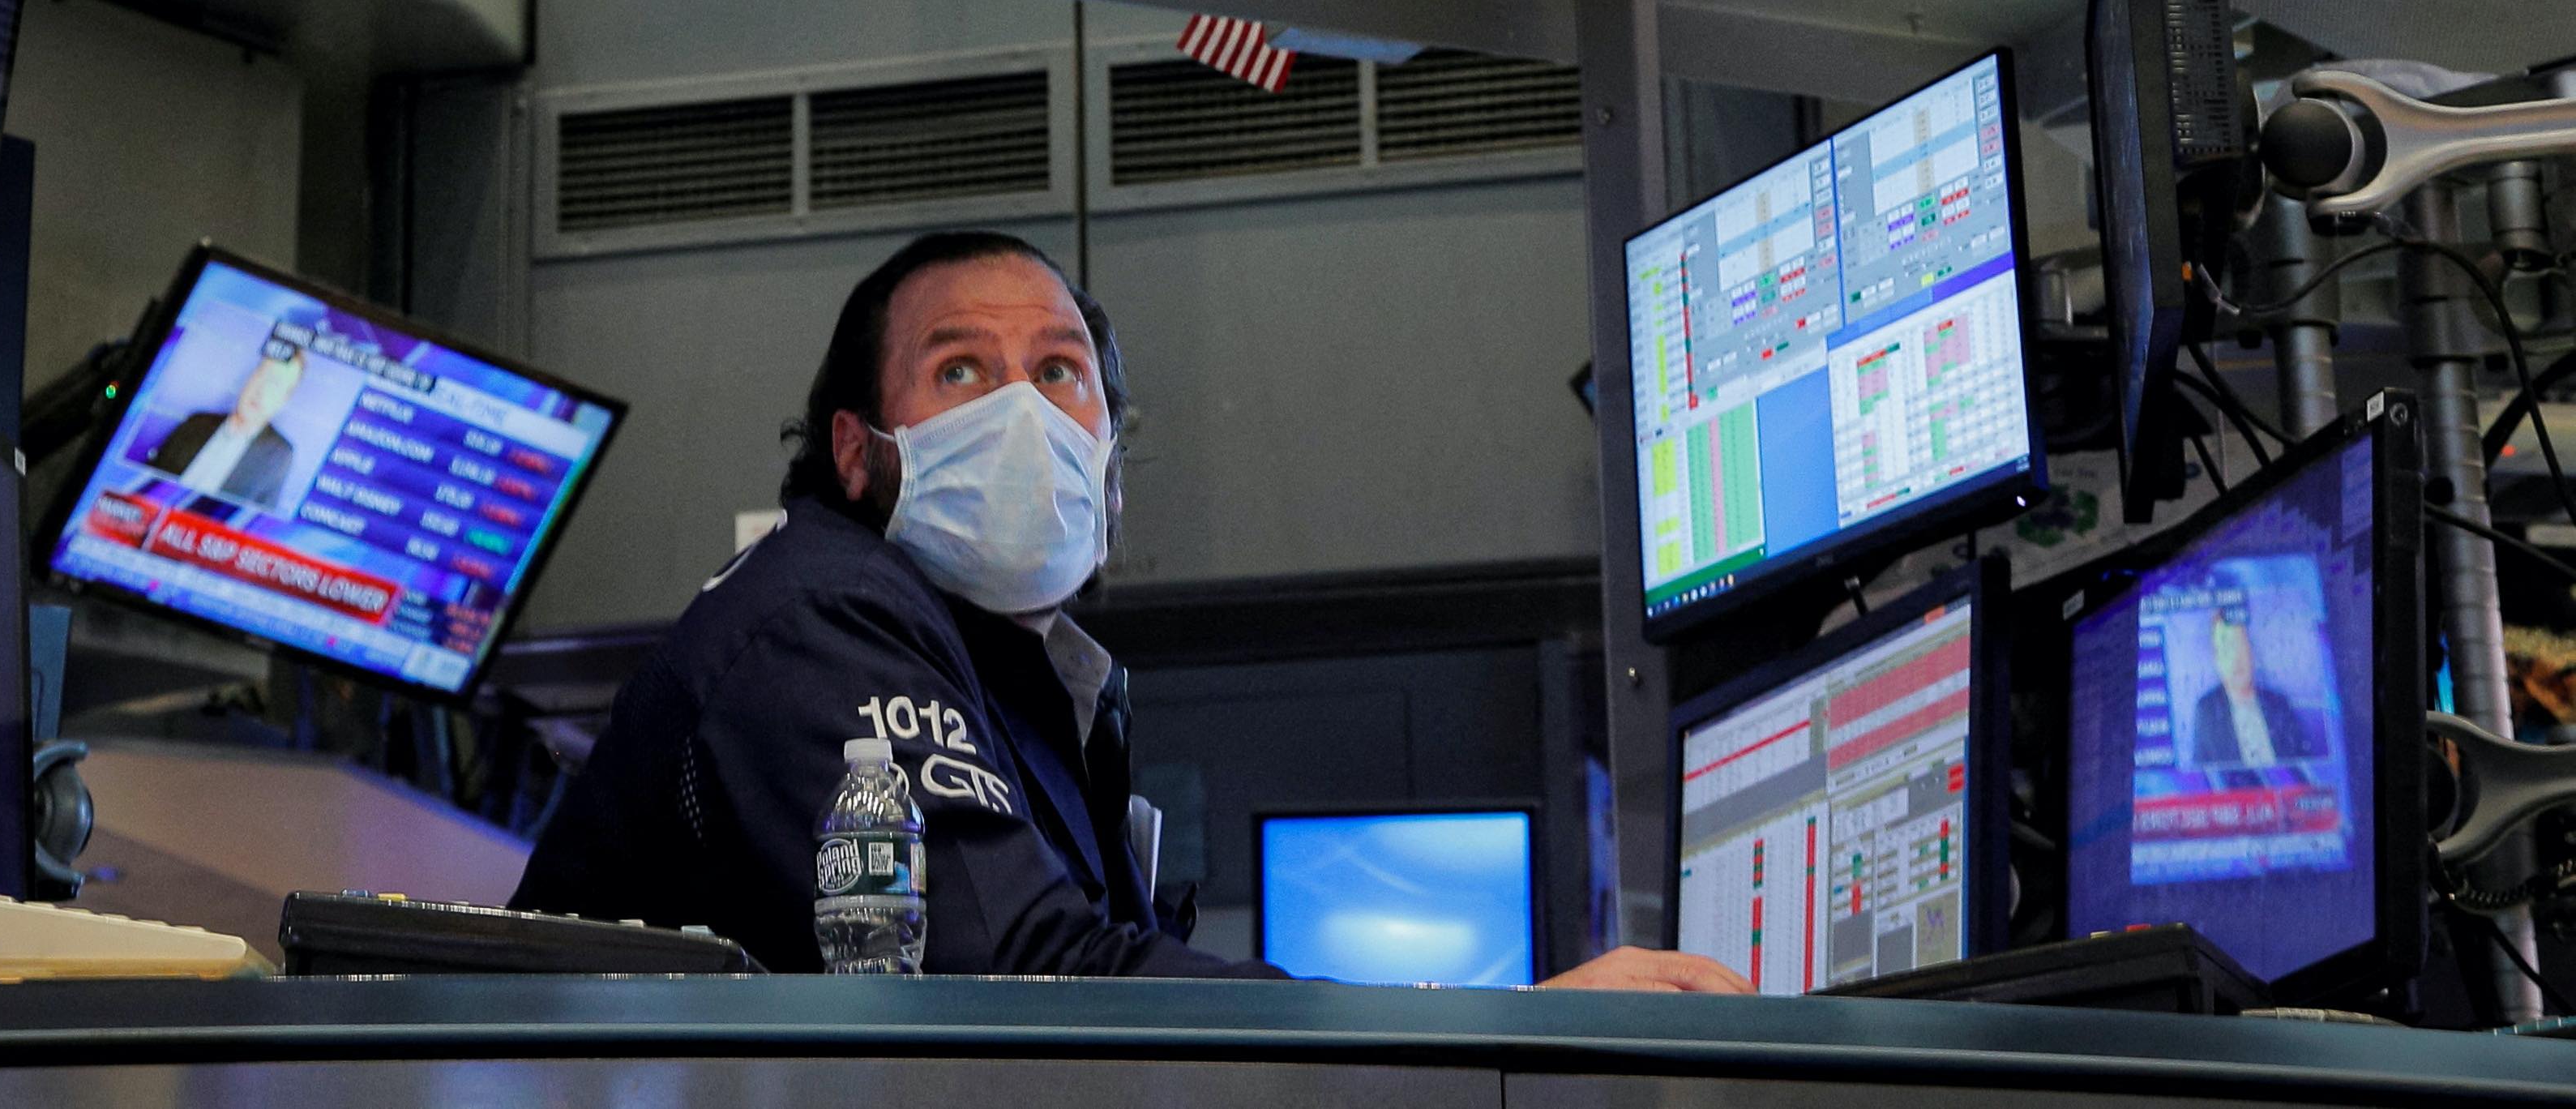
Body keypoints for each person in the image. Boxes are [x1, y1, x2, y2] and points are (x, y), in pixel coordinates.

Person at [513, 229, 1745, 991]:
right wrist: (1485, 1035)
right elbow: (1023, 983)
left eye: (1057, 372)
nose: (1021, 410)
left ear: (1107, 451)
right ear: (857, 450)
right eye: (959, 370)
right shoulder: (822, 615)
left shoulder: (1019, 681)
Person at [152, 336, 307, 508]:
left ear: (283, 401)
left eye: (275, 384)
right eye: (262, 375)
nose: (261, 391)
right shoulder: (196, 422)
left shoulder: (279, 455)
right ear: (250, 378)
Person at [2189, 594, 2325, 767]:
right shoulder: (2206, 711)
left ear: (2251, 651)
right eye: (2227, 648)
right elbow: (2203, 782)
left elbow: (2308, 768)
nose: (2237, 658)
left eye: (2240, 644)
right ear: (2217, 660)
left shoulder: (2279, 704)